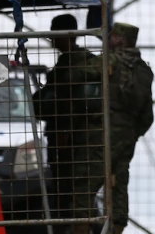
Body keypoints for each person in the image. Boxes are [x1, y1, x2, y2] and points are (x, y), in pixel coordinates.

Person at [32, 14, 105, 234]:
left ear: (69, 34)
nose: (53, 40)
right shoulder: (73, 63)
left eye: (56, 34)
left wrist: (64, 131)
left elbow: (69, 103)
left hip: (75, 141)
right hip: (70, 140)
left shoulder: (76, 65)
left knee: (74, 194)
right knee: (69, 194)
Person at [102, 22, 155, 234]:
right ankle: (117, 227)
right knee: (119, 180)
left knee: (87, 178)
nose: (109, 40)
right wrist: (132, 133)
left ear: (120, 40)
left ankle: (80, 226)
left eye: (113, 36)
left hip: (103, 131)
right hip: (128, 133)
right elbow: (147, 115)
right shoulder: (144, 71)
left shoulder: (109, 62)